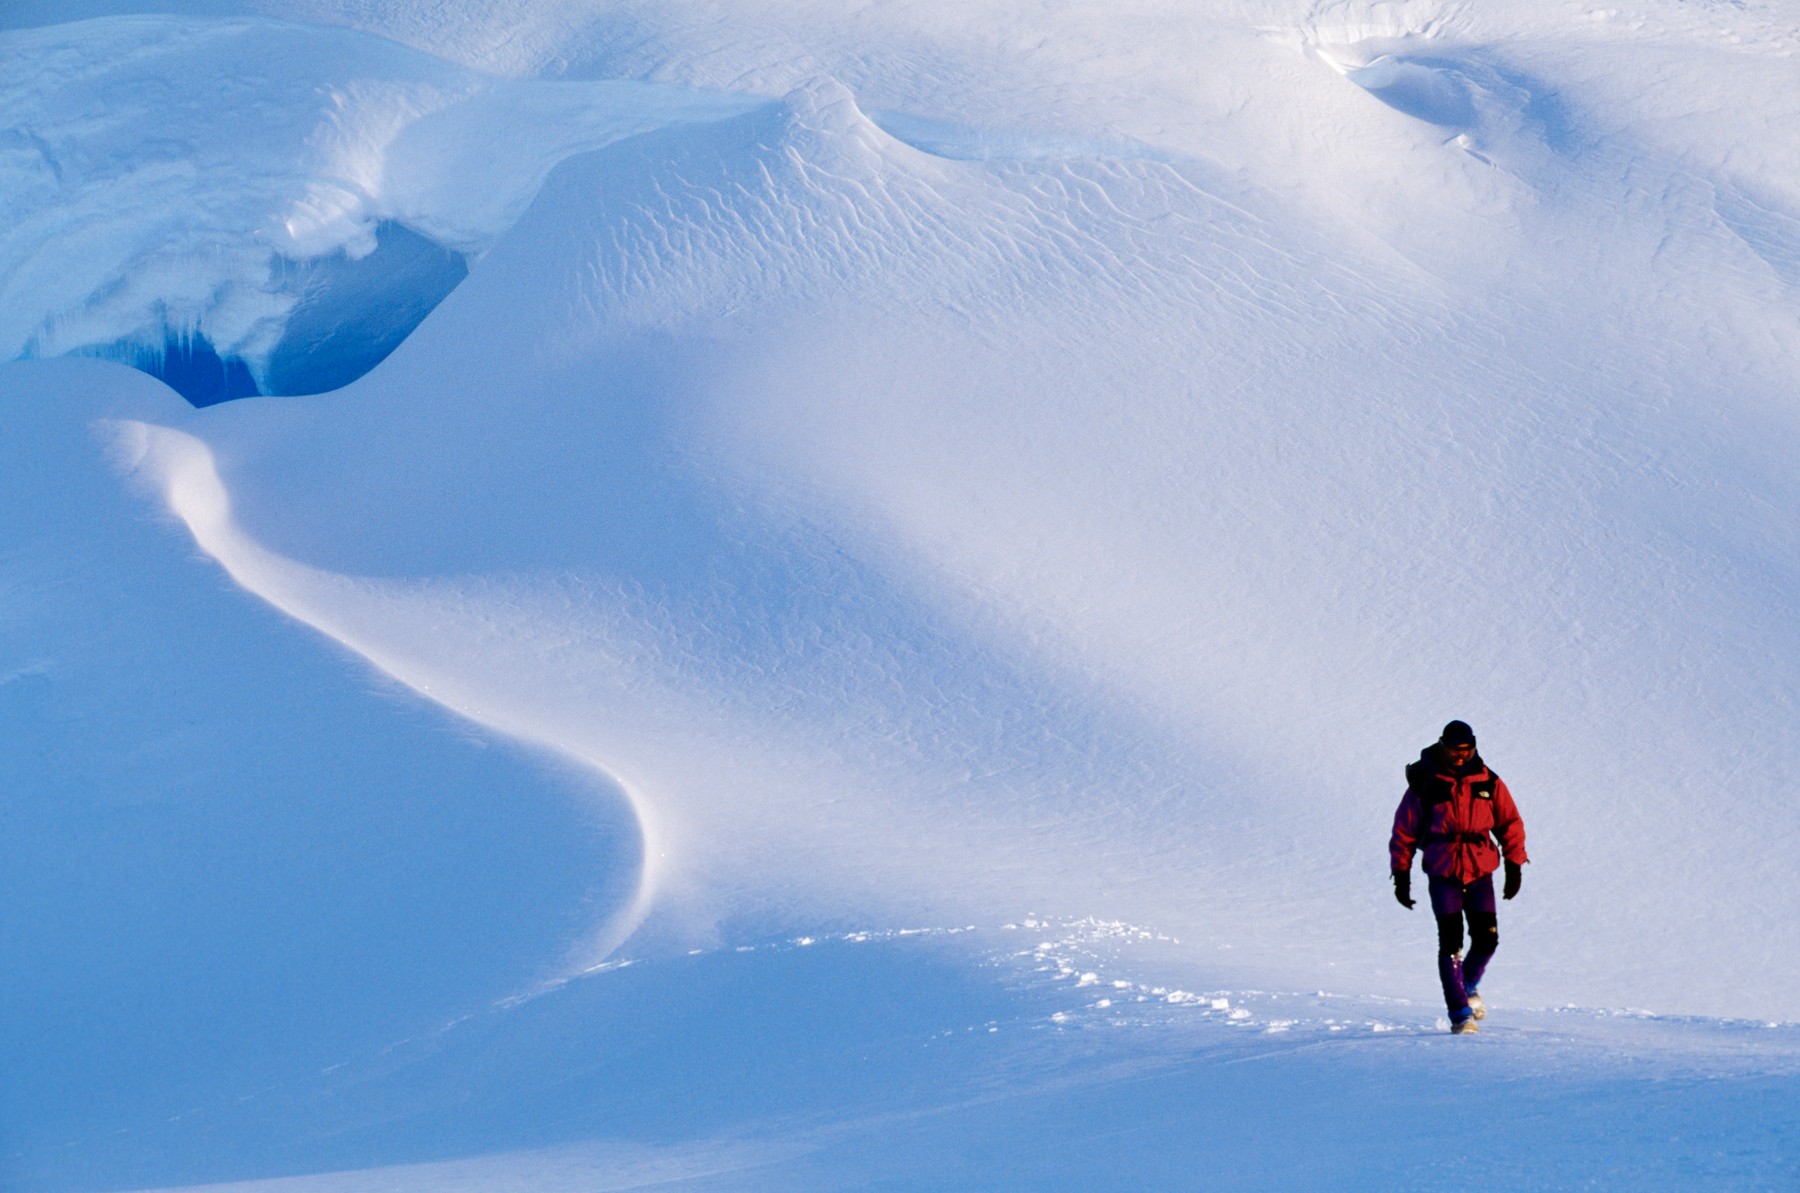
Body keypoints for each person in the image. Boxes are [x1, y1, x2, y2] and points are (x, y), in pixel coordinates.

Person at [1388, 720, 1528, 1034]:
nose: (1461, 756)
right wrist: (1401, 875)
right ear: (1443, 747)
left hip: (1480, 870)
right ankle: (1460, 1013)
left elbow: (1509, 823)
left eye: (1466, 750)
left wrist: (1514, 865)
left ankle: (1467, 982)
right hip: (1443, 871)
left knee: (1487, 939)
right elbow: (1404, 831)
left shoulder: (1488, 782)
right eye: (1455, 750)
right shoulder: (1426, 782)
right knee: (1451, 943)